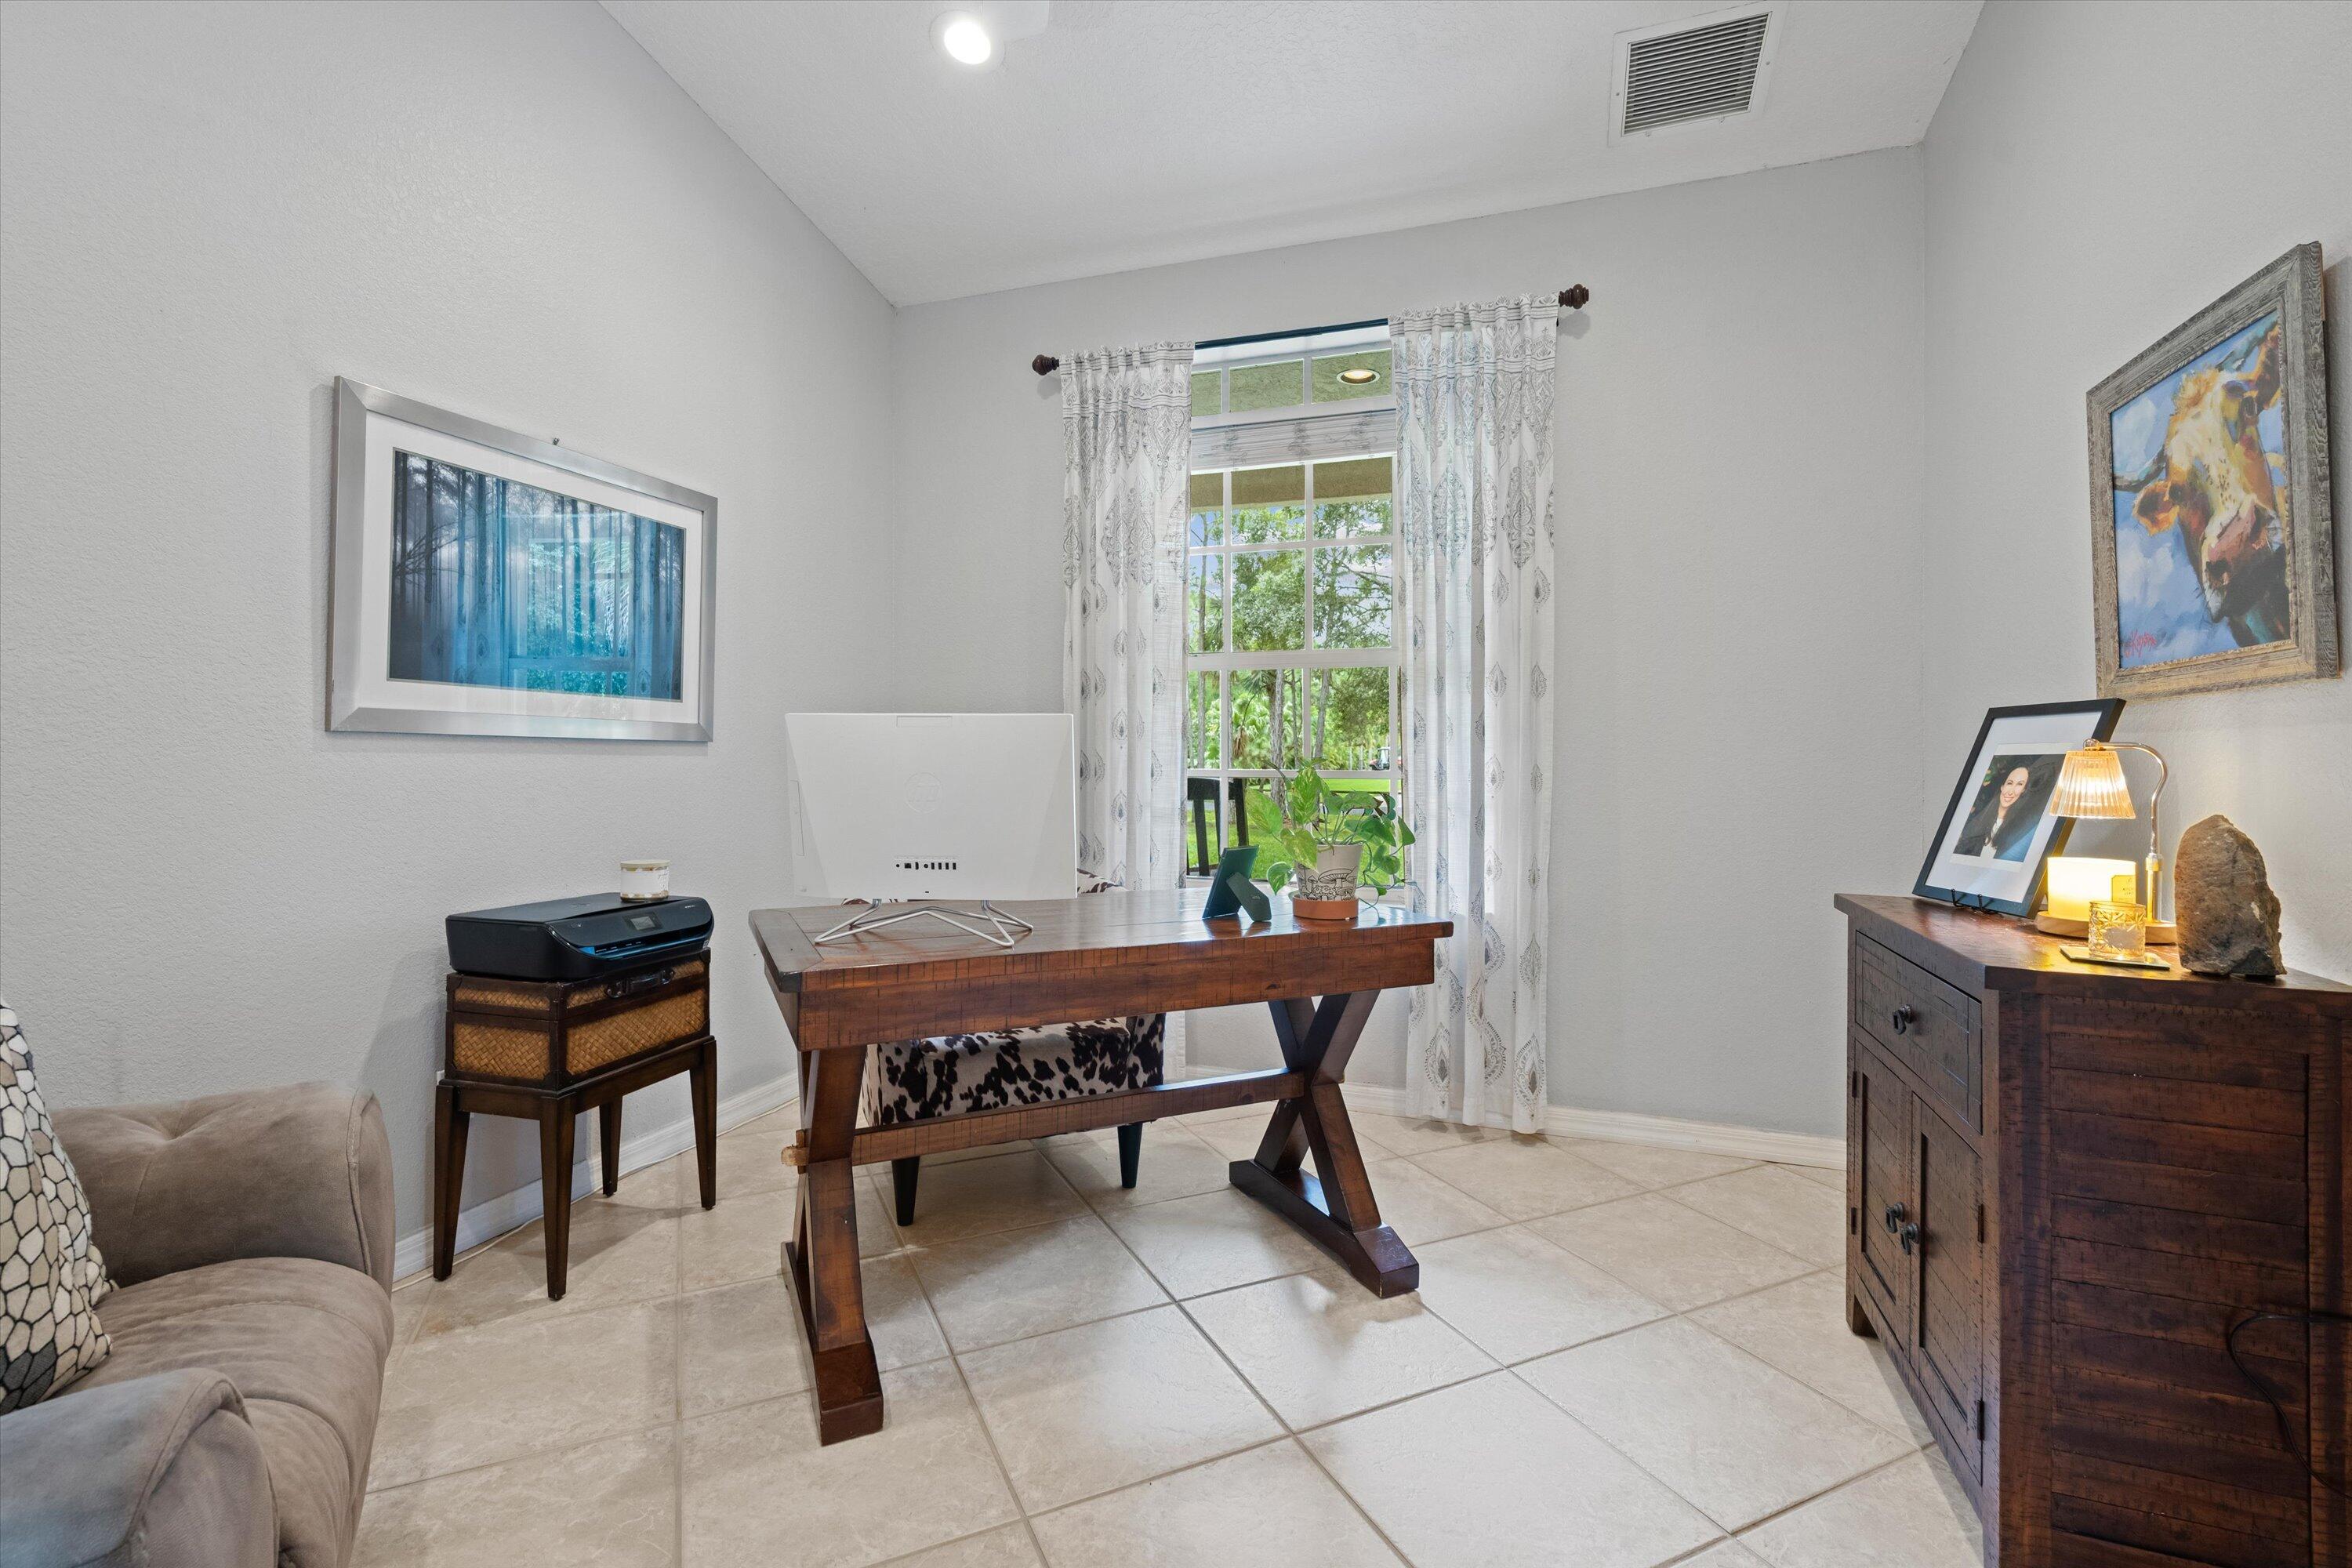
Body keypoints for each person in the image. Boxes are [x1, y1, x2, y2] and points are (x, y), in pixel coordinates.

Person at [1955, 762, 2043, 861]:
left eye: (2019, 784)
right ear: (2002, 787)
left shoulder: (2019, 829)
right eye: (2010, 783)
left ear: (2023, 790)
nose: (2011, 791)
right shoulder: (1977, 821)